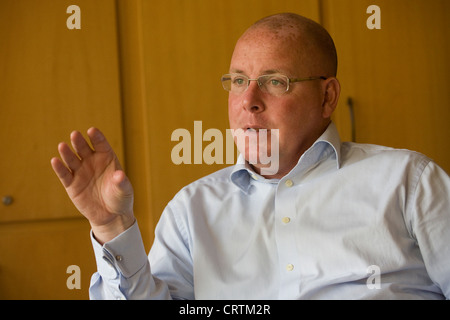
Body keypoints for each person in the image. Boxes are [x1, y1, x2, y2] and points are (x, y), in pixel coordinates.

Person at [51, 13, 450, 299]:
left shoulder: (409, 181)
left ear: (327, 97)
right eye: (238, 80)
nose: (248, 101)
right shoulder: (193, 210)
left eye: (275, 82)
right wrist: (111, 226)